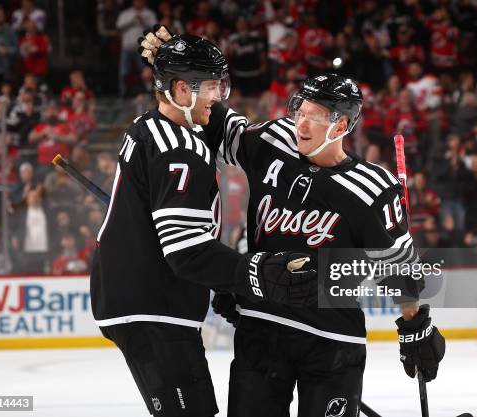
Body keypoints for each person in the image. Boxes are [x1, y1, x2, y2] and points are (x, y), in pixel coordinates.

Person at [142, 28, 445, 417]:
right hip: (262, 329)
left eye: (315, 118)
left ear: (340, 127)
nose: (300, 125)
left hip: (331, 338)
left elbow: (397, 269)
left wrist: (414, 326)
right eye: (299, 112)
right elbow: (216, 123)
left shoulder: (372, 188)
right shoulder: (275, 141)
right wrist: (176, 70)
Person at [92, 33, 317, 417]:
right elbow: (186, 252)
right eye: (211, 85)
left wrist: (224, 285)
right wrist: (254, 274)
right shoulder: (182, 150)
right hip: (154, 306)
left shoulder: (149, 125)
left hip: (140, 299)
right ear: (182, 89)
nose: (218, 95)